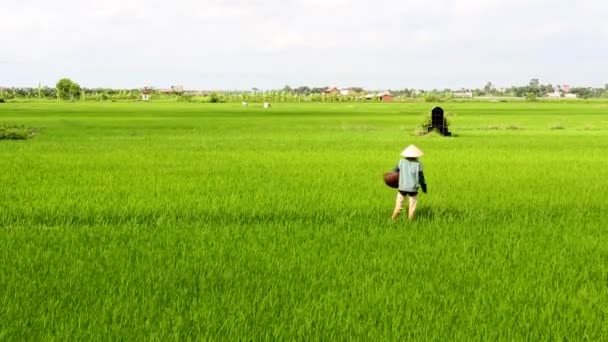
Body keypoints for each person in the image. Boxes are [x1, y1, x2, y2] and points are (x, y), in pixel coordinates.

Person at [392, 145, 427, 220]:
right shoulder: (418, 164)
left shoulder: (401, 162)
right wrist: (424, 188)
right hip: (413, 189)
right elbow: (421, 178)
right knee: (412, 207)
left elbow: (394, 172)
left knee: (398, 206)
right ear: (416, 155)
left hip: (402, 187)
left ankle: (392, 220)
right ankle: (410, 223)